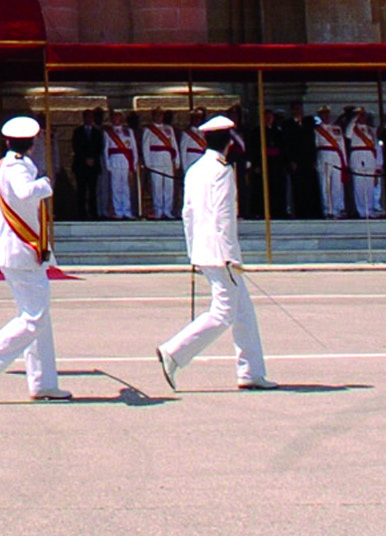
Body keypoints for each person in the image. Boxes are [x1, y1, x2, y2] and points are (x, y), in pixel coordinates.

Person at [154, 116, 272, 393]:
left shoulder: (195, 169)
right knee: (223, 313)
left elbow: (187, 214)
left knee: (244, 313)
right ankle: (174, 351)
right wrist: (230, 255)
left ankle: (251, 372)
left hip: (204, 250)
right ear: (229, 141)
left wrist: (193, 252)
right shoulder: (222, 170)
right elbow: (223, 215)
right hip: (221, 254)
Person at [0, 117, 68, 401]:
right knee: (34, 319)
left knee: (39, 318)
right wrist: (45, 184)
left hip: (19, 250)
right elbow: (25, 192)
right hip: (22, 251)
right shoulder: (16, 167)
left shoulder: (4, 164)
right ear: (32, 143)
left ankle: (43, 383)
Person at [140, 113, 180, 220]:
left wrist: (176, 160)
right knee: (157, 187)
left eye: (161, 115)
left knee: (168, 186)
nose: (159, 117)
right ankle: (158, 210)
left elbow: (173, 145)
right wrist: (148, 162)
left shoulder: (169, 129)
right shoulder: (149, 130)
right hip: (155, 161)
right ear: (153, 117)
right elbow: (146, 146)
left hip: (167, 160)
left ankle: (168, 210)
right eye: (157, 115)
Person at [100, 110, 139, 221]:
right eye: (114, 118)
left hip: (126, 162)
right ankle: (118, 211)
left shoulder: (129, 132)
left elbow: (133, 148)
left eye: (118, 117)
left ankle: (127, 210)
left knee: (126, 187)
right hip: (114, 161)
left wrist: (134, 162)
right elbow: (106, 149)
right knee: (116, 187)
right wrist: (108, 164)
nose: (116, 120)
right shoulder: (108, 133)